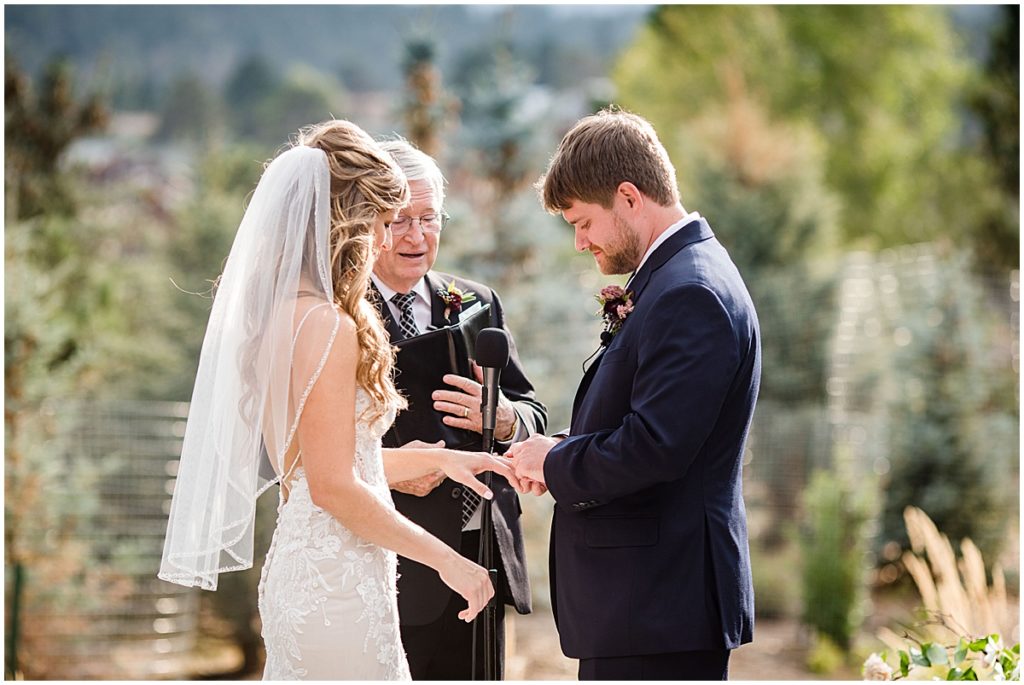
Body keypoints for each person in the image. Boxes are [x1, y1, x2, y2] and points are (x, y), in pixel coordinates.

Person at [159, 119, 522, 680]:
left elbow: (309, 469)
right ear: (348, 224)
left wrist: (438, 457)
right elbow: (332, 487)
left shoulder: (279, 315)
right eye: (383, 222)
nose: (390, 239)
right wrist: (449, 561)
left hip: (308, 573)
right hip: (339, 584)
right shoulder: (328, 325)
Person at [510, 109, 760, 681]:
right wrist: (558, 448)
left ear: (628, 196)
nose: (579, 243)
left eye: (583, 222)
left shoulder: (690, 291)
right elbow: (647, 417)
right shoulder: (674, 279)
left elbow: (657, 446)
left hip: (660, 605)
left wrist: (555, 461)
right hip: (647, 606)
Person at [369, 137, 547, 679]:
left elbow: (533, 410)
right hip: (391, 564)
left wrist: (508, 420)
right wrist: (394, 471)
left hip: (482, 556)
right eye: (399, 220)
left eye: (429, 218)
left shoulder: (476, 301)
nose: (417, 236)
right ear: (365, 222)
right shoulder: (337, 311)